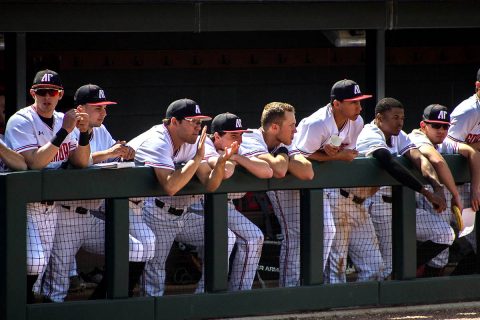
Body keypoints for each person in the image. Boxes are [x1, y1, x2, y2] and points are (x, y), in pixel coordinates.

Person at [41, 84, 156, 302]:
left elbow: (113, 157)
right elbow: (75, 163)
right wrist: (108, 153)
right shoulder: (66, 128)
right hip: (65, 216)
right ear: (81, 108)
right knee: (57, 287)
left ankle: (102, 302)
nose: (104, 112)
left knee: (135, 249)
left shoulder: (102, 130)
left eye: (105, 107)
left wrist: (124, 154)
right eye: (98, 107)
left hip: (93, 217)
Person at [128, 98, 238, 296]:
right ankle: (153, 311)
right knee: (155, 270)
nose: (198, 126)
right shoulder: (158, 140)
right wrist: (197, 158)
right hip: (148, 211)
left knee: (225, 237)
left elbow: (210, 184)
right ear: (174, 122)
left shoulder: (192, 141)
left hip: (184, 215)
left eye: (200, 122)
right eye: (193, 121)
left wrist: (221, 162)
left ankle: (206, 299)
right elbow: (170, 186)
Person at [4, 69, 90, 303]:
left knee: (42, 271)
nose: (47, 97)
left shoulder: (65, 120)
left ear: (60, 94)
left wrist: (84, 134)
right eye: (41, 92)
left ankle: (30, 308)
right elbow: (34, 163)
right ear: (33, 93)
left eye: (52, 92)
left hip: (52, 207)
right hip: (25, 204)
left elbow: (81, 162)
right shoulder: (22, 120)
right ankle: (18, 307)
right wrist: (65, 131)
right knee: (35, 261)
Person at [294, 79, 384, 283]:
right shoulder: (317, 123)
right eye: (353, 102)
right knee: (335, 267)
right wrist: (335, 156)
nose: (359, 107)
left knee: (374, 266)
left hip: (343, 195)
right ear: (336, 104)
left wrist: (332, 151)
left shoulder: (357, 122)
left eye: (360, 102)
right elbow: (299, 157)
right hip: (309, 189)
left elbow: (341, 148)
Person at [356, 97, 450, 279]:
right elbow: (389, 163)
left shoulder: (399, 135)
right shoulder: (370, 133)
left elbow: (419, 158)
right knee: (383, 267)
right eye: (395, 117)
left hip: (402, 206)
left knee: (444, 234)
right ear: (379, 118)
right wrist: (426, 192)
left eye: (402, 118)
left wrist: (437, 186)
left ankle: (412, 274)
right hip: (377, 206)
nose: (400, 122)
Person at [240, 102, 314, 287]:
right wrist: (283, 151)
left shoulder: (284, 140)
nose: (295, 131)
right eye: (291, 126)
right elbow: (280, 170)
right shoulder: (250, 137)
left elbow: (307, 172)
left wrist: (281, 152)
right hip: (210, 203)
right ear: (274, 127)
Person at [202, 112, 272, 290]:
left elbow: (267, 171)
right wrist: (230, 160)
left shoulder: (238, 148)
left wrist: (236, 157)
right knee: (224, 239)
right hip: (197, 206)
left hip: (224, 207)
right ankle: (205, 296)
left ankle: (240, 293)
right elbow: (225, 171)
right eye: (233, 135)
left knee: (254, 237)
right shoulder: (206, 144)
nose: (239, 140)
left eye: (241, 134)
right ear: (217, 136)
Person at [408, 104, 480, 276]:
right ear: (423, 125)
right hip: (404, 206)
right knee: (385, 262)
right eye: (435, 125)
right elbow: (437, 160)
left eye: (445, 126)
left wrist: (475, 188)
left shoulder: (445, 141)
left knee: (446, 248)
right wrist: (455, 194)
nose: (441, 130)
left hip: (436, 201)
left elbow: (472, 153)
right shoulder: (416, 137)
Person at [447, 67, 480, 274]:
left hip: (474, 180)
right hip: (458, 185)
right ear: (478, 86)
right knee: (466, 240)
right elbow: (447, 147)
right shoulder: (468, 110)